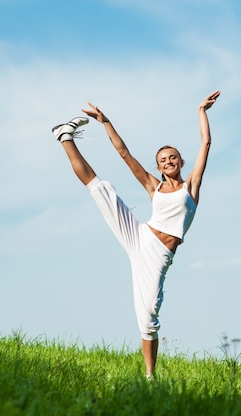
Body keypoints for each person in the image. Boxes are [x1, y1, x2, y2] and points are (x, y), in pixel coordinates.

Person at [52, 90, 220, 378]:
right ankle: (64, 137)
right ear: (158, 166)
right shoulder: (153, 186)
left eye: (173, 158)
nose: (168, 161)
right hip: (140, 236)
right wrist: (106, 122)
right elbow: (124, 153)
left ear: (180, 162)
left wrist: (200, 111)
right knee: (101, 190)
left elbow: (206, 142)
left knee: (148, 319)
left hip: (157, 257)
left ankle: (149, 376)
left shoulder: (190, 186)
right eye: (163, 159)